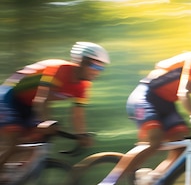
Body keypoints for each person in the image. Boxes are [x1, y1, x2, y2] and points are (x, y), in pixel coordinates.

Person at [87, 33, 191, 185]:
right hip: (146, 96)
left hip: (167, 104)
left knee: (181, 146)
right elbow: (183, 92)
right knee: (155, 140)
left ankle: (148, 181)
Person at [0, 42, 110, 172]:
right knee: (14, 142)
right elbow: (42, 99)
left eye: (101, 68)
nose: (97, 71)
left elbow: (78, 113)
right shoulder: (60, 69)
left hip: (29, 105)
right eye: (94, 66)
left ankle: (10, 179)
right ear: (81, 61)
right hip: (10, 97)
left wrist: (82, 135)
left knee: (34, 143)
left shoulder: (83, 86)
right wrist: (45, 121)